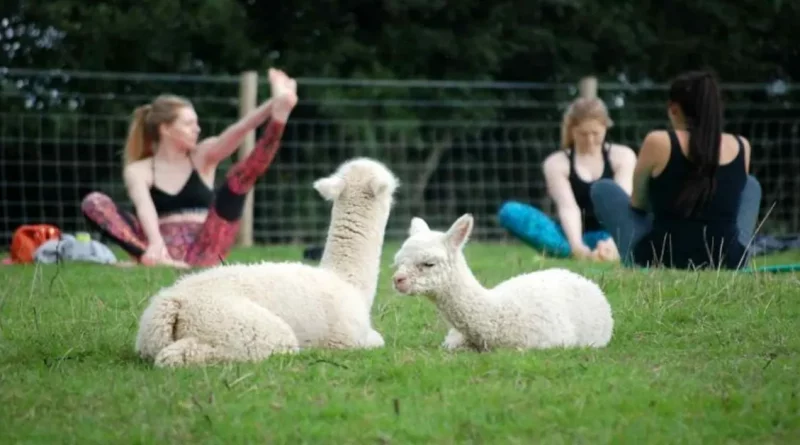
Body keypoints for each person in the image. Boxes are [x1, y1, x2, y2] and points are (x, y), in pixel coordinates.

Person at [81, 68, 298, 268]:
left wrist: (275, 103)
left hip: (205, 247)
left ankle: (280, 118)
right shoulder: (140, 170)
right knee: (94, 202)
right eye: (188, 124)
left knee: (239, 181)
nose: (197, 129)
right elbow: (144, 207)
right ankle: (156, 259)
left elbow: (240, 129)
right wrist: (156, 244)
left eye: (196, 123)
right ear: (165, 129)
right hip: (158, 249)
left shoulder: (203, 156)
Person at [589, 70, 762, 270]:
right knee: (751, 185)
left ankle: (635, 261)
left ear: (673, 109)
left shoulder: (659, 141)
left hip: (661, 258)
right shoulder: (742, 146)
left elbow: (639, 204)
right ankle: (739, 260)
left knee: (603, 189)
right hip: (728, 260)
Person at [497, 96, 637, 261]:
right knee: (510, 212)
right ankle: (571, 252)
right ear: (572, 130)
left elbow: (621, 205)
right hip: (570, 235)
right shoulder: (556, 163)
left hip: (613, 233)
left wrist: (612, 243)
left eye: (596, 133)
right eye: (583, 134)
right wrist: (577, 246)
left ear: (606, 128)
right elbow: (568, 207)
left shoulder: (623, 156)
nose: (590, 140)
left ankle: (613, 249)